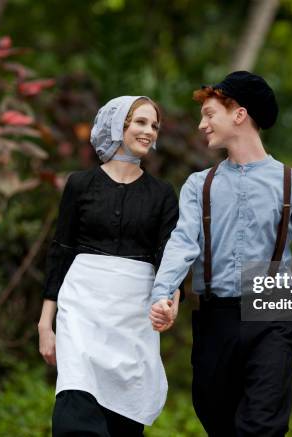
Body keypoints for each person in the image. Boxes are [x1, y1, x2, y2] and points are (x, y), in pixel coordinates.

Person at [149, 71, 292, 436]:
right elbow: (182, 243)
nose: (202, 123)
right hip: (214, 318)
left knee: (262, 426)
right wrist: (162, 294)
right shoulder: (198, 186)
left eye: (209, 114)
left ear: (238, 114)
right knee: (216, 419)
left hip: (273, 316)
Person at [38, 95, 181, 437]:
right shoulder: (79, 185)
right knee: (75, 414)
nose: (149, 131)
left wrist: (171, 303)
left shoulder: (163, 193)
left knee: (124, 420)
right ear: (118, 126)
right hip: (81, 308)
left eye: (154, 125)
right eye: (141, 122)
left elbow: (170, 258)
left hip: (135, 314)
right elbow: (61, 250)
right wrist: (46, 322)